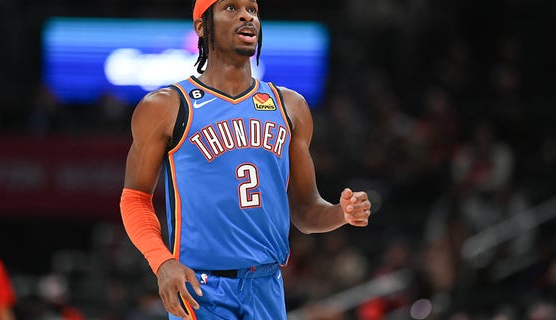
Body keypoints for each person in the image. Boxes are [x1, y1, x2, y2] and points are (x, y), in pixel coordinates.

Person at [119, 0, 372, 319]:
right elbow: (134, 200)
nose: (245, 16)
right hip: (201, 288)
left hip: (268, 286)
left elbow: (305, 211)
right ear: (202, 26)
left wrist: (341, 213)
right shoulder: (166, 105)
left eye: (252, 9)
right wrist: (162, 261)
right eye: (230, 8)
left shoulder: (289, 106)